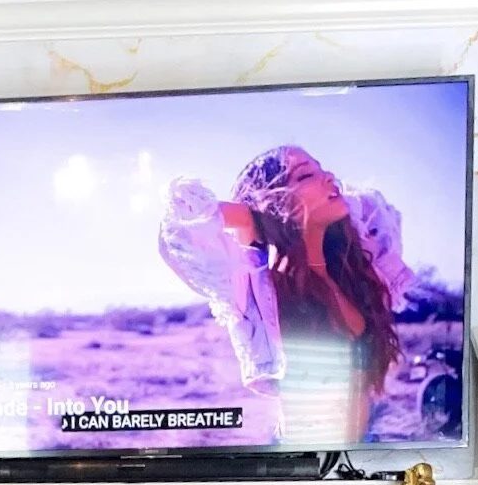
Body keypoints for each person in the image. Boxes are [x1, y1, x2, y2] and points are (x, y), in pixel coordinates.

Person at [159, 146, 413, 447]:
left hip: (360, 449)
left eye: (322, 168)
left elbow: (368, 205)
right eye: (306, 175)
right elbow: (186, 221)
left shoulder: (349, 268)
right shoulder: (263, 280)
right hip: (299, 455)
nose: (328, 176)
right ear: (275, 200)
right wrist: (254, 215)